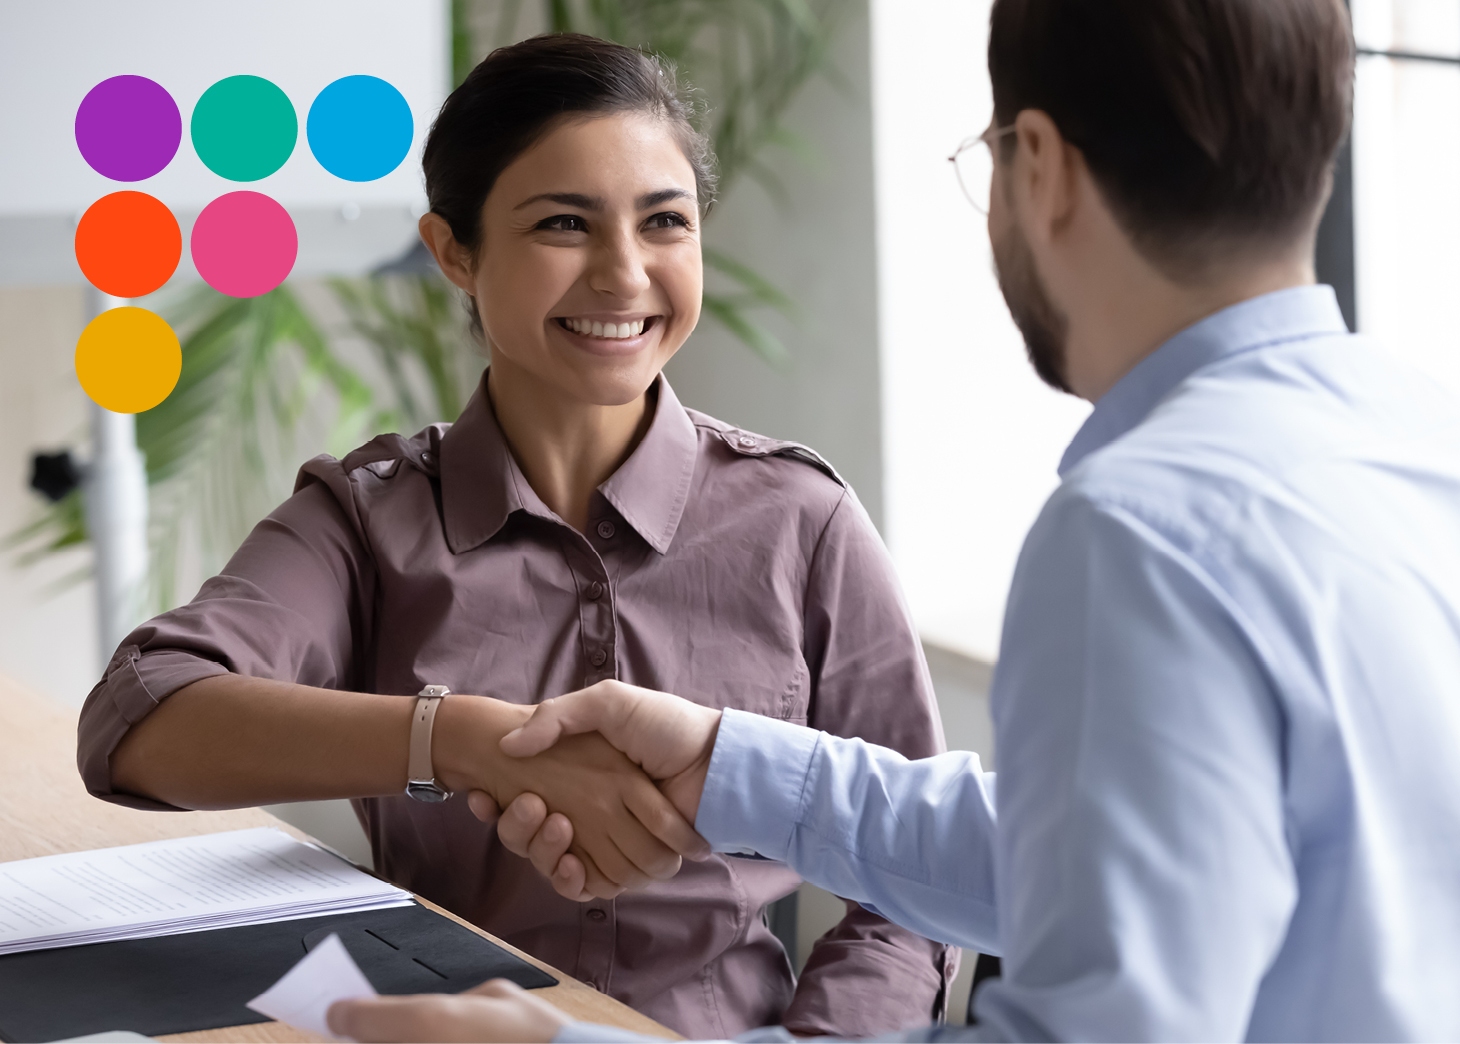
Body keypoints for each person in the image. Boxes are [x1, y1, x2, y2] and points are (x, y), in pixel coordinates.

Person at [327, 0, 1460, 1040]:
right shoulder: (1417, 439)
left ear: (1043, 170)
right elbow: (1099, 854)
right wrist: (726, 766)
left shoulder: (1142, 530)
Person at [75, 35, 957, 1040]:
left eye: (663, 222)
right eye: (563, 225)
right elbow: (140, 718)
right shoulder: (368, 517)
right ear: (455, 251)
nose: (624, 275)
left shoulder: (803, 523)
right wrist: (464, 742)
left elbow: (914, 886)